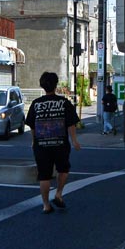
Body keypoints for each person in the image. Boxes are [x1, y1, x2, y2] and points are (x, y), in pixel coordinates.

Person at [25, 71, 81, 214]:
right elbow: (71, 124)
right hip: (60, 144)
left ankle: (45, 205)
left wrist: (34, 141)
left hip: (41, 145)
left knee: (44, 175)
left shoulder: (36, 104)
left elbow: (32, 125)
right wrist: (74, 141)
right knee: (63, 169)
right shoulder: (64, 103)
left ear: (42, 85)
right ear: (56, 85)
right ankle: (58, 193)